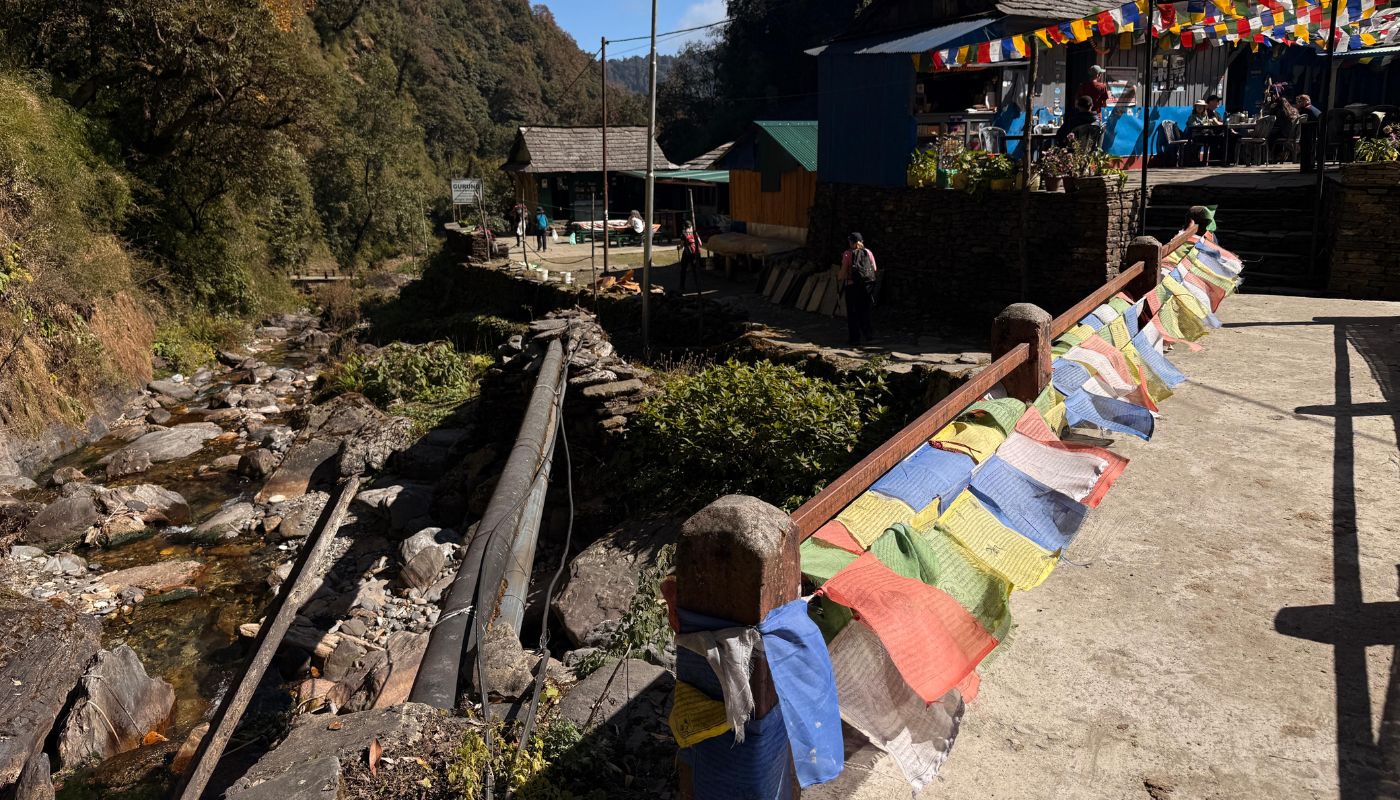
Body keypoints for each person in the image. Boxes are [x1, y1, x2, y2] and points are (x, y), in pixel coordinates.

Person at [839, 232, 877, 347]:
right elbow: (874, 269)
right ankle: (868, 335)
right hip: (867, 286)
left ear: (851, 242)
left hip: (852, 286)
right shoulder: (868, 252)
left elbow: (843, 273)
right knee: (865, 311)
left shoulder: (847, 254)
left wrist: (839, 276)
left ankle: (855, 339)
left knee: (853, 312)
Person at [675, 219, 703, 295]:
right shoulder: (695, 233)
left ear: (685, 226)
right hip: (696, 253)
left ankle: (682, 286)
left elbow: (681, 246)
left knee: (683, 269)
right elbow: (700, 243)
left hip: (687, 253)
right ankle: (698, 285)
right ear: (691, 226)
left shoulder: (684, 234)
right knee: (695, 269)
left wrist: (678, 247)